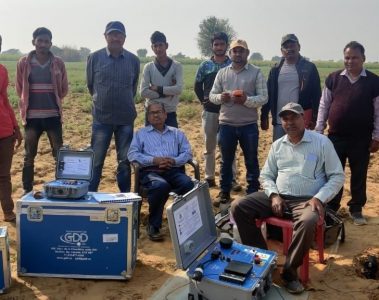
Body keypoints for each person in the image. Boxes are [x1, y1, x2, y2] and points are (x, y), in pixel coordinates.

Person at [232, 102, 345, 294]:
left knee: (309, 220)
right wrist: (274, 195)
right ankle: (264, 260)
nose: (289, 122)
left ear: (304, 118)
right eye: (285, 118)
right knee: (238, 206)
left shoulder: (321, 142)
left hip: (308, 200)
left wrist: (319, 198)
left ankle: (290, 272)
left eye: (294, 117)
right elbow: (266, 175)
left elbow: (337, 176)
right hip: (279, 197)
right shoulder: (278, 145)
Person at [315, 41, 379, 225]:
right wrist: (319, 130)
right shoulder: (334, 78)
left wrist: (377, 136)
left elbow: (378, 111)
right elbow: (324, 105)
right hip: (336, 136)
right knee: (334, 173)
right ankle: (332, 207)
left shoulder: (374, 82)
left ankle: (356, 209)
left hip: (362, 139)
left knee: (359, 173)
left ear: (363, 59)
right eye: (347, 57)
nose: (350, 61)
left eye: (354, 58)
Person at [209, 39, 268, 206]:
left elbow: (263, 97)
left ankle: (252, 193)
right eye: (235, 51)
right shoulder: (222, 73)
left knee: (251, 159)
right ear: (230, 53)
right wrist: (222, 97)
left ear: (247, 53)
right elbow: (212, 95)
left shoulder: (256, 72)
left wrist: (246, 100)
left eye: (241, 51)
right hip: (226, 124)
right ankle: (224, 192)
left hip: (248, 125)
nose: (238, 54)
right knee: (226, 161)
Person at [128, 103, 194, 241]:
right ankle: (154, 225)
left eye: (159, 112)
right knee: (160, 186)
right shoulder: (141, 134)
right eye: (152, 113)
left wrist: (174, 161)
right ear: (148, 117)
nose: (156, 115)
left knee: (188, 184)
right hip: (151, 172)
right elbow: (132, 154)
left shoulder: (177, 133)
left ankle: (181, 222)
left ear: (165, 115)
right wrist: (154, 160)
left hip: (173, 170)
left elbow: (187, 153)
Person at [87, 21, 140, 192]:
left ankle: (124, 197)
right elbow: (91, 85)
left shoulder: (133, 60)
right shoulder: (94, 58)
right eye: (112, 34)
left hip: (125, 118)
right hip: (102, 118)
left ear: (124, 38)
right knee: (96, 161)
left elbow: (133, 87)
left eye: (119, 35)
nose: (115, 38)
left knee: (124, 161)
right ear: (105, 36)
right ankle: (91, 197)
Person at [16, 27, 68, 194]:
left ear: (51, 44)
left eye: (46, 41)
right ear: (34, 42)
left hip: (53, 115)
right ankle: (26, 189)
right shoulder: (23, 63)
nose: (43, 44)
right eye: (40, 41)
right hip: (32, 117)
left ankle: (61, 187)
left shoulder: (58, 63)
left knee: (59, 154)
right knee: (29, 155)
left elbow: (64, 88)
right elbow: (19, 88)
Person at [194, 32, 241, 193]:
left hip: (229, 112)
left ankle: (232, 178)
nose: (219, 47)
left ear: (226, 46)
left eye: (222, 44)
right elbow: (197, 86)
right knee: (209, 145)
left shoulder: (232, 65)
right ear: (212, 46)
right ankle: (209, 177)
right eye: (216, 44)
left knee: (229, 146)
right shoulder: (205, 66)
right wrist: (204, 101)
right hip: (210, 112)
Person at [261, 34, 321, 141]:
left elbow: (316, 95)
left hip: (301, 120)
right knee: (280, 152)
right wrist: (264, 115)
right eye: (286, 46)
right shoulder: (275, 69)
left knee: (302, 152)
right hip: (280, 121)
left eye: (292, 45)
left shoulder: (309, 68)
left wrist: (315, 118)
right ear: (281, 50)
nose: (289, 49)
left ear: (299, 47)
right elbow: (268, 94)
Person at [0, 35, 23, 222]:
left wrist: (15, 126)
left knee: (4, 175)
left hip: (5, 131)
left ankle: (8, 211)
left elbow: (5, 101)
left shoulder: (1, 71)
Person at [140, 31, 182, 128]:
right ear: (152, 47)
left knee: (171, 142)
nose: (158, 49)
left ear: (166, 45)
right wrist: (168, 92)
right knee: (150, 142)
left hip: (169, 111)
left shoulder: (177, 66)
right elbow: (143, 92)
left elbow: (178, 89)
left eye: (161, 45)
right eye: (155, 46)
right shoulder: (148, 67)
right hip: (152, 111)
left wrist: (158, 88)